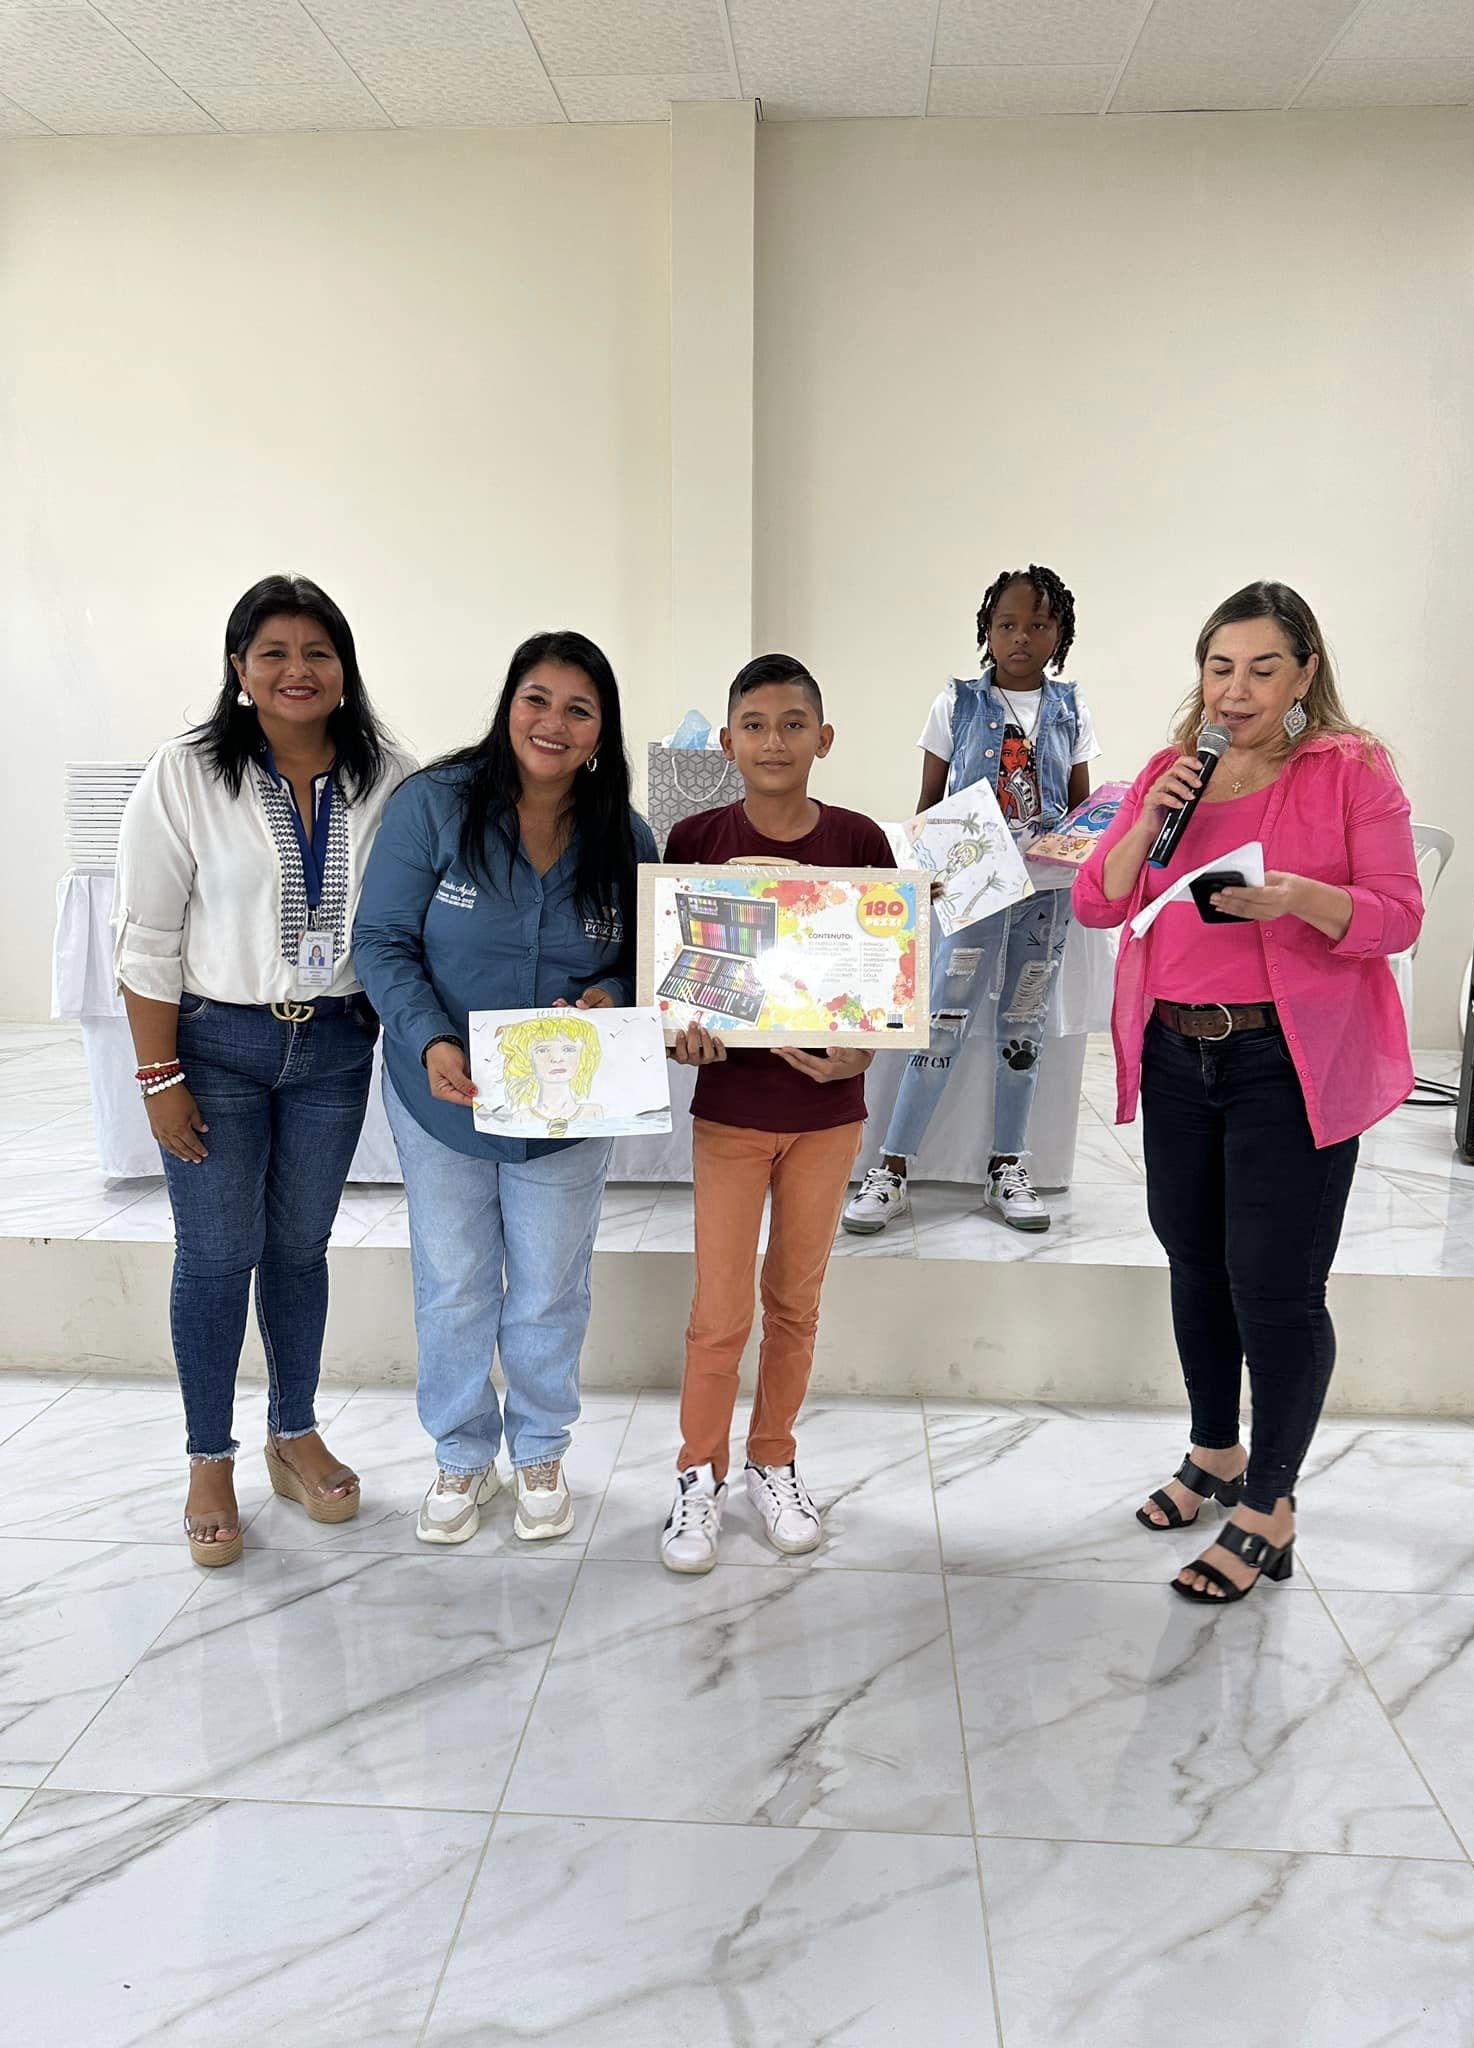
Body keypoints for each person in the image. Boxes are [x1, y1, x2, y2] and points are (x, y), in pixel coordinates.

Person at [1074, 582, 1423, 1605]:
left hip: (1286, 1063)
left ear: (1304, 673)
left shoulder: (1349, 769)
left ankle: (1269, 1505)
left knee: (1274, 1284)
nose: (1236, 690)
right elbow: (1098, 900)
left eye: (1263, 669)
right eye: (1219, 668)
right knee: (1195, 1263)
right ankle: (1214, 1451)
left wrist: (1300, 899)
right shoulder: (1170, 772)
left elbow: (1399, 913)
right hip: (1180, 1056)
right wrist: (1149, 816)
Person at [113, 574, 414, 1567]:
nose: (298, 670)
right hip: (217, 1047)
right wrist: (158, 1076)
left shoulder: (389, 776)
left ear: (345, 668)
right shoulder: (186, 774)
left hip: (333, 1048)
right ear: (239, 669)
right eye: (274, 652)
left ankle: (294, 1431)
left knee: (299, 1248)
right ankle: (209, 1456)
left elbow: (412, 912)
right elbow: (148, 936)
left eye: (318, 651)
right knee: (215, 1253)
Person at [352, 631, 656, 1548]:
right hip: (442, 1097)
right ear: (508, 705)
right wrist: (429, 1038)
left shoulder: (624, 836)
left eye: (578, 709)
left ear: (601, 731)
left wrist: (613, 994)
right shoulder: (433, 806)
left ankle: (541, 1448)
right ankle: (459, 1450)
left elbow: (650, 965)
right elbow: (381, 940)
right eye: (537, 699)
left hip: (569, 1106)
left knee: (551, 1287)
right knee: (453, 1282)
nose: (553, 723)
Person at [659, 654, 897, 1574]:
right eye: (754, 725)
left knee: (795, 1303)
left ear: (823, 739)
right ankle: (698, 1474)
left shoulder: (860, 841)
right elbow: (673, 981)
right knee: (718, 1311)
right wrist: (681, 1034)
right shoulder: (694, 839)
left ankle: (773, 1459)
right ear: (726, 742)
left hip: (828, 1117)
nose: (773, 741)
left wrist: (862, 1050)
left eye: (793, 724)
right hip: (729, 1112)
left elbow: (884, 982)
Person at [843, 565, 1100, 1236]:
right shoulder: (955, 704)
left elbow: (1081, 810)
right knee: (941, 1020)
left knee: (1024, 1025)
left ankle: (1007, 1165)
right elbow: (928, 804)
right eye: (1007, 624)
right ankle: (891, 1168)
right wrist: (924, 872)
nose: (1021, 638)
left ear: (1060, 634)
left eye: (1038, 625)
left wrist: (1086, 848)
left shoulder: (1071, 709)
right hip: (970, 890)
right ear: (987, 629)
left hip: (1045, 899)